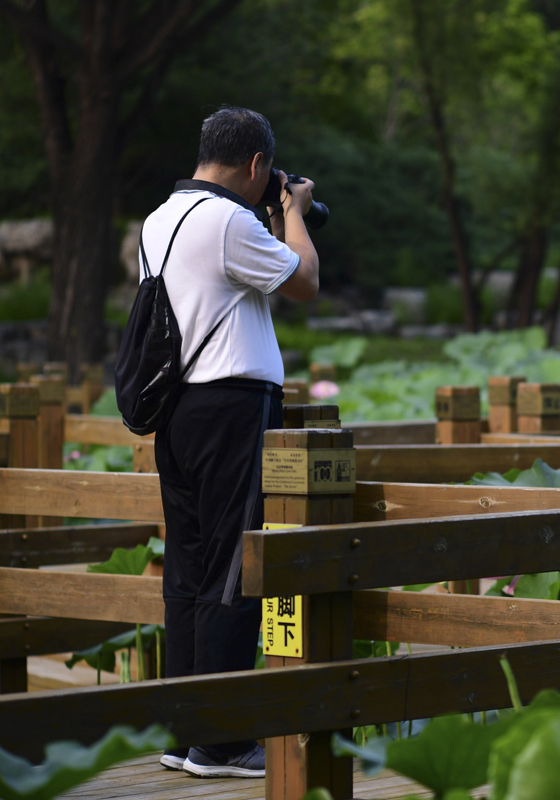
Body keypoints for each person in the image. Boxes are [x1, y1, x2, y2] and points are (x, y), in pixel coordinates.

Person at [141, 107, 319, 779]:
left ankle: (185, 731)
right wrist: (294, 209)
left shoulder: (161, 218)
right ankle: (220, 744)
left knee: (188, 570)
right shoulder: (229, 223)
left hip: (178, 412)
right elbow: (305, 280)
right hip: (231, 408)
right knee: (234, 568)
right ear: (255, 165)